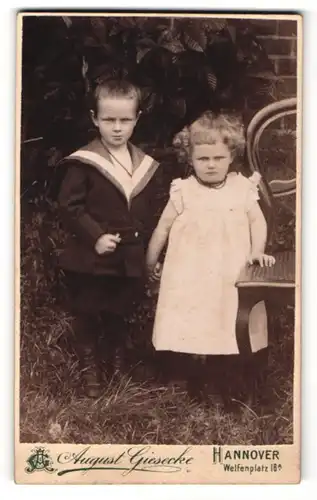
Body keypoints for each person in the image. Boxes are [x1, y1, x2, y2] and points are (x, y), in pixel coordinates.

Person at [146, 111, 275, 406]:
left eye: (218, 158)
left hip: (228, 272)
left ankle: (220, 379)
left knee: (223, 320)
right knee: (187, 318)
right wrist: (150, 264)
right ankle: (185, 374)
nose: (211, 165)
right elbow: (162, 228)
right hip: (188, 273)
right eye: (203, 159)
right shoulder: (183, 191)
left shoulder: (242, 188)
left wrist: (257, 251)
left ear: (231, 156)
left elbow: (258, 221)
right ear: (189, 159)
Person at [57, 78, 164, 398]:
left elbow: (149, 210)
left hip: (128, 255)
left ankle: (117, 364)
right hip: (93, 255)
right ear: (94, 119)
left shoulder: (144, 163)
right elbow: (68, 206)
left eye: (125, 120)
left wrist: (148, 253)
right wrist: (95, 235)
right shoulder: (85, 163)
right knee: (89, 309)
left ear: (137, 118)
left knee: (120, 309)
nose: (117, 128)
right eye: (109, 120)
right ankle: (91, 369)